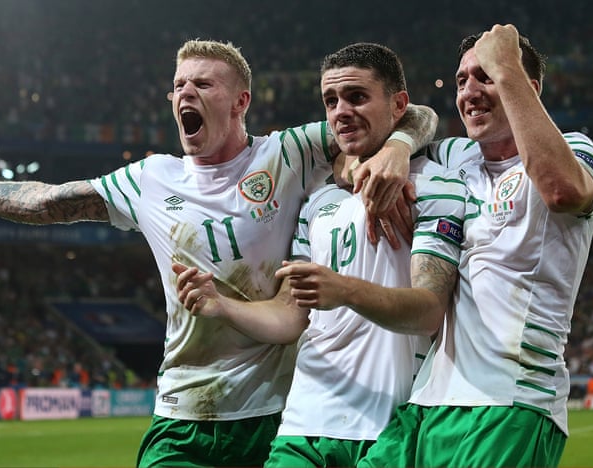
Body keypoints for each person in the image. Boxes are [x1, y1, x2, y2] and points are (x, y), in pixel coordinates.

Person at [0, 39, 437, 467]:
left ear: (240, 102)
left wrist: (395, 149)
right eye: (179, 85)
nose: (186, 92)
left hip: (272, 414)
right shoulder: (151, 179)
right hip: (183, 413)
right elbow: (46, 202)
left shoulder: (288, 152)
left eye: (203, 84)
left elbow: (412, 115)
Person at [173, 42, 465, 467]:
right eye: (331, 101)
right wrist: (222, 306)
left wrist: (344, 290)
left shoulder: (436, 187)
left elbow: (429, 312)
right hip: (304, 422)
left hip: (388, 424)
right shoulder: (318, 201)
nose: (341, 111)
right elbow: (290, 315)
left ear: (399, 105)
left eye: (357, 97)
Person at [358, 24, 593, 468]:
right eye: (461, 81)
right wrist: (397, 146)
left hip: (510, 400)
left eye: (485, 76)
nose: (469, 91)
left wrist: (506, 64)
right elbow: (414, 119)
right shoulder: (458, 158)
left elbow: (562, 192)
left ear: (527, 88)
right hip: (427, 400)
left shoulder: (575, 149)